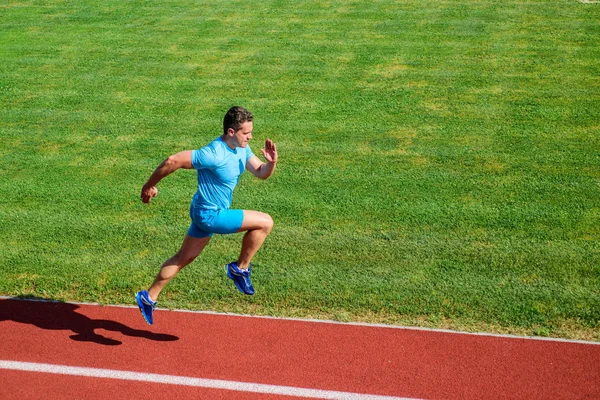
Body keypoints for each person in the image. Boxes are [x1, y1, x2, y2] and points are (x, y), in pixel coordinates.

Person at [135, 106, 278, 325]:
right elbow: (173, 161)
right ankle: (239, 269)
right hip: (210, 214)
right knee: (265, 222)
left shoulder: (242, 148)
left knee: (184, 257)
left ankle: (149, 296)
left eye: (250, 132)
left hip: (203, 210)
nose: (250, 137)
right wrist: (149, 185)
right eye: (246, 133)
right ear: (231, 132)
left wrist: (271, 162)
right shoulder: (213, 154)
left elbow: (260, 172)